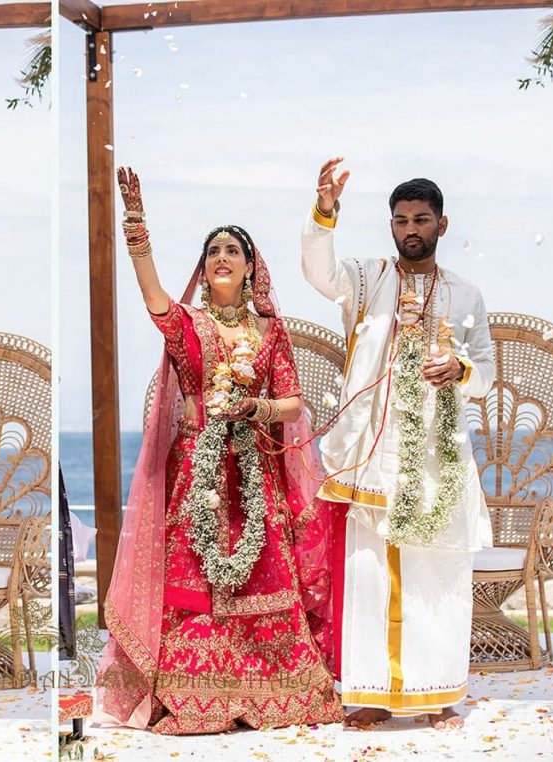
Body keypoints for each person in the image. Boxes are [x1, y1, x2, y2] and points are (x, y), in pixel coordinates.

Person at [95, 167, 344, 735]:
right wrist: (136, 225)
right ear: (204, 270)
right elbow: (152, 295)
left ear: (251, 267)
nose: (223, 257)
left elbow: (291, 403)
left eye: (234, 250)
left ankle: (271, 692)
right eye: (213, 252)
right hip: (198, 475)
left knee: (262, 572)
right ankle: (194, 698)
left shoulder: (270, 332)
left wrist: (254, 410)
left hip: (256, 470)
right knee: (198, 577)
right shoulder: (189, 325)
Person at [301, 158, 495, 729]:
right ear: (390, 225)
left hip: (438, 459)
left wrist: (458, 370)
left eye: (422, 219)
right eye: (402, 219)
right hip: (374, 451)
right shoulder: (369, 278)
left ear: (442, 224)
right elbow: (319, 271)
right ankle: (372, 693)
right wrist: (325, 210)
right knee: (369, 571)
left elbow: (485, 369)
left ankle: (437, 695)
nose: (411, 228)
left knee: (438, 572)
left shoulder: (465, 293)